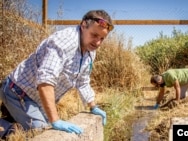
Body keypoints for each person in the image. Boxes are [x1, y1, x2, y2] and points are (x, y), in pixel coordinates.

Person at [0, 9, 114, 138]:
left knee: (43, 127)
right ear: (83, 25)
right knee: (41, 132)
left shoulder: (90, 50)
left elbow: (82, 81)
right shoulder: (64, 41)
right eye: (94, 35)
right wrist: (55, 120)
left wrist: (93, 107)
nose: (97, 42)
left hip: (38, 99)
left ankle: (12, 116)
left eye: (102, 38)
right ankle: (7, 126)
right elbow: (45, 80)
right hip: (18, 92)